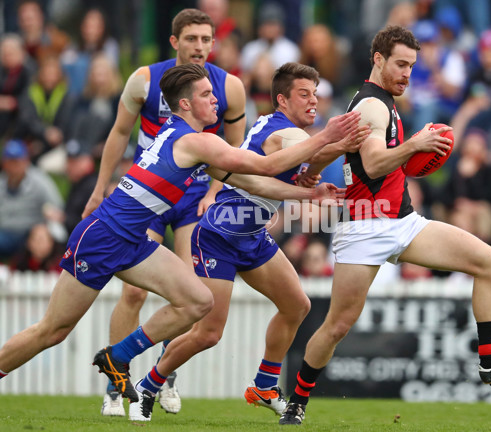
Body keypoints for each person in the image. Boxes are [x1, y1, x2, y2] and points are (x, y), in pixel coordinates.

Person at [0, 63, 360, 408]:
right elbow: (265, 165)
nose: (216, 100)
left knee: (197, 302)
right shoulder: (197, 142)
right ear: (185, 104)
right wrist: (327, 136)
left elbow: (249, 181)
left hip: (133, 240)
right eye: (206, 95)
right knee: (52, 330)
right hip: (103, 235)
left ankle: (118, 356)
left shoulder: (188, 138)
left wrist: (308, 194)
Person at [278, 25, 491, 426]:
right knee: (336, 325)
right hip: (365, 228)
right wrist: (415, 146)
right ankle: (297, 401)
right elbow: (373, 164)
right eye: (400, 64)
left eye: (412, 66)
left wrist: (313, 170)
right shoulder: (372, 104)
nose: (407, 73)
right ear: (378, 60)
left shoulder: (379, 101)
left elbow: (346, 151)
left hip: (401, 221)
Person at [127, 62, 368, 422]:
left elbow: (308, 164)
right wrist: (340, 142)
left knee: (297, 305)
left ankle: (265, 385)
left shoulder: (280, 129)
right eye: (304, 94)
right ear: (282, 99)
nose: (313, 101)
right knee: (209, 333)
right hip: (220, 235)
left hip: (251, 234)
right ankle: (149, 385)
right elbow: (311, 152)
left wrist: (320, 166)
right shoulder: (285, 134)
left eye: (315, 94)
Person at [78, 9, 247, 416]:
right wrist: (101, 188)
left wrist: (217, 192)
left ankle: (163, 379)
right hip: (149, 198)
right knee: (134, 291)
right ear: (174, 42)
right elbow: (120, 131)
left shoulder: (230, 87)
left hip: (192, 199)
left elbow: (237, 151)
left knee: (189, 290)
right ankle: (116, 388)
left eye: (207, 39)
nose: (201, 47)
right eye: (192, 39)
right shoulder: (145, 80)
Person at [0, 139, 65, 259]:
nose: (13, 166)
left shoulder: (40, 181)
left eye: (17, 162)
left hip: (29, 232)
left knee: (40, 237)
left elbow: (57, 207)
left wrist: (49, 215)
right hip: (4, 232)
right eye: (10, 161)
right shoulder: (2, 181)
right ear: (4, 163)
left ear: (26, 161)